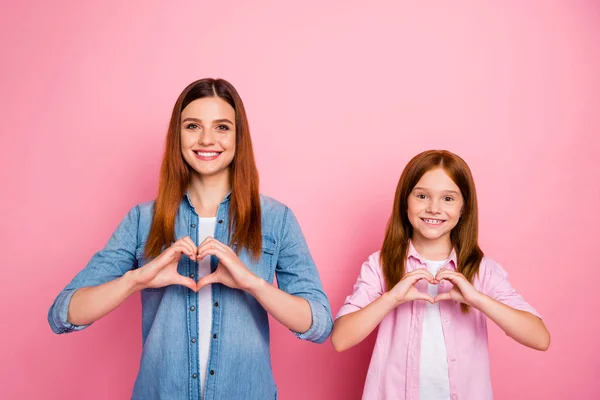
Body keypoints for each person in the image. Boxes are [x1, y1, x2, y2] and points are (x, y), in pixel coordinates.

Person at [48, 78, 332, 400]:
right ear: (177, 136)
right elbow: (63, 313)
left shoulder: (277, 220)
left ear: (239, 137)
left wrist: (253, 283)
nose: (207, 139)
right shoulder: (143, 220)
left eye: (222, 127)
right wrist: (136, 280)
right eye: (193, 126)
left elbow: (319, 324)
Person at [331, 149, 550, 400]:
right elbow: (340, 339)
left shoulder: (482, 270)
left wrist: (477, 299)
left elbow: (540, 338)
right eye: (422, 196)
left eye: (448, 199)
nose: (434, 208)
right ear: (405, 201)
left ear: (463, 208)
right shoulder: (379, 265)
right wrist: (391, 298)